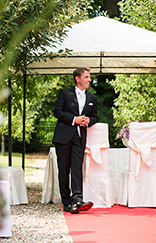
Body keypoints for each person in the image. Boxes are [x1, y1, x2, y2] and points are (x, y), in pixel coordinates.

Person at [52, 67, 98, 214]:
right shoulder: (65, 93)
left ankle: (78, 199)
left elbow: (95, 117)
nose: (89, 80)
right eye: (86, 77)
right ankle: (66, 202)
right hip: (63, 137)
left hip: (80, 137)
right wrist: (74, 119)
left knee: (77, 168)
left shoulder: (92, 98)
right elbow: (57, 111)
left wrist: (88, 120)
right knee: (64, 169)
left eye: (89, 77)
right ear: (77, 79)